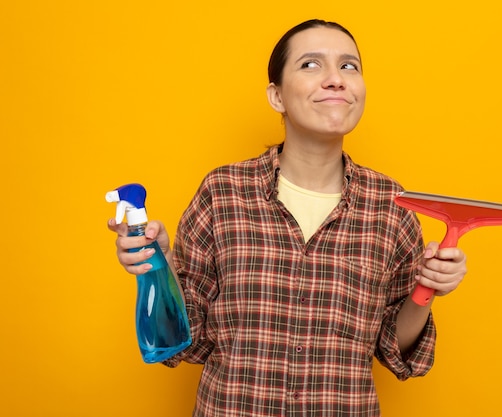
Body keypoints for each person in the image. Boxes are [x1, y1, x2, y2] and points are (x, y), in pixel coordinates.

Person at [108, 19, 467, 417]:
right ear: (276, 96)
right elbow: (188, 339)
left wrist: (426, 289)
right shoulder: (223, 191)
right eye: (311, 65)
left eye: (349, 66)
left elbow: (394, 350)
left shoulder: (390, 206)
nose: (336, 79)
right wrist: (161, 263)